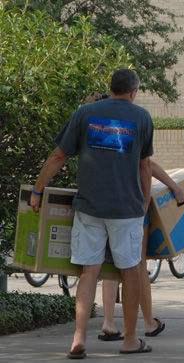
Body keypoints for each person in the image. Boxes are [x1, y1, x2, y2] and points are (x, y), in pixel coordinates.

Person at [31, 69, 154, 358]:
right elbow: (145, 166)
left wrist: (38, 190)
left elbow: (59, 156)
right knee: (131, 271)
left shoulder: (85, 113)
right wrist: (144, 203)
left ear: (110, 88)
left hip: (89, 208)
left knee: (89, 272)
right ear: (134, 91)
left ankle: (78, 339)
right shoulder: (141, 118)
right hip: (126, 210)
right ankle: (130, 340)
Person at [99, 162, 184, 340]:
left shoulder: (100, 134)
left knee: (110, 264)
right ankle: (148, 322)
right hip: (134, 203)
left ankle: (108, 323)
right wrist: (175, 187)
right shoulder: (133, 133)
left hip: (106, 202)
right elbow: (146, 164)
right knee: (138, 264)